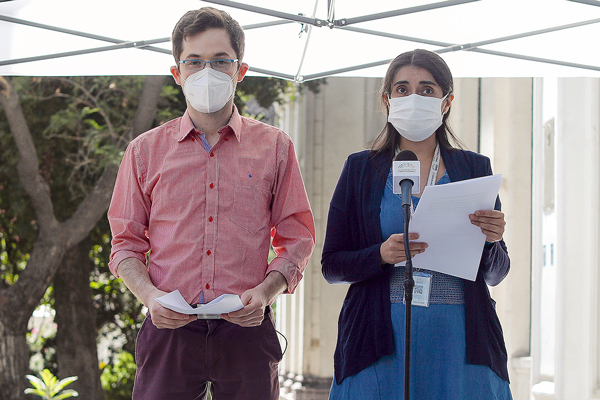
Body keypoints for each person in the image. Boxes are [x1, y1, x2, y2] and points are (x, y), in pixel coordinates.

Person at [107, 7, 315, 400]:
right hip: (169, 329)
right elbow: (125, 245)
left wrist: (267, 292)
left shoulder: (275, 147)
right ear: (177, 73)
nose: (208, 72)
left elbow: (297, 238)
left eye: (220, 61)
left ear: (240, 70)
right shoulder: (144, 152)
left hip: (247, 331)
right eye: (195, 62)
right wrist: (148, 296)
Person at [321, 49, 512, 399]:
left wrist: (492, 241)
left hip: (459, 344)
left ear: (446, 101)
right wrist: (380, 254)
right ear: (387, 100)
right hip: (378, 342)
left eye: (426, 90)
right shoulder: (361, 169)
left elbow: (496, 274)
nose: (413, 98)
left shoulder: (474, 168)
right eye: (402, 89)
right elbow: (331, 265)